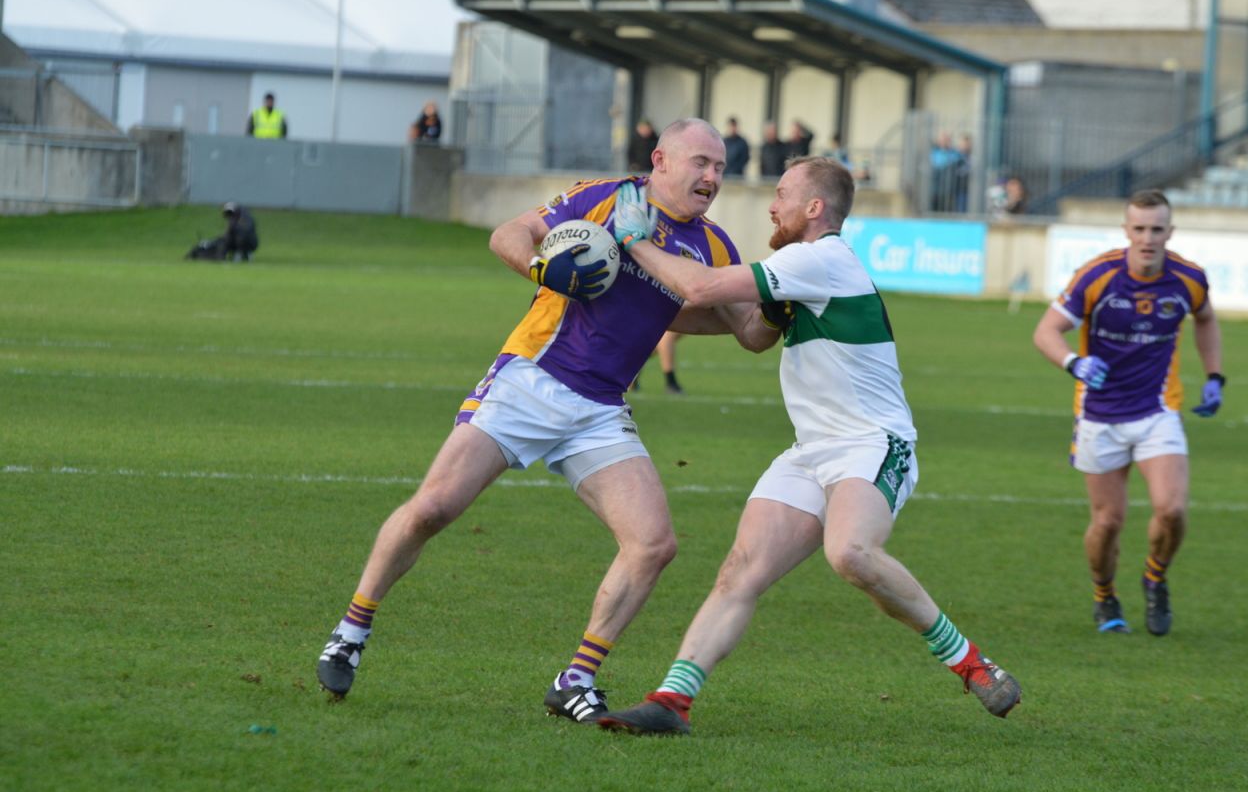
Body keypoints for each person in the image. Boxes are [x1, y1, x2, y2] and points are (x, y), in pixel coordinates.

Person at [315, 118, 780, 722]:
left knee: (652, 545)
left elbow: (748, 332)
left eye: (719, 167)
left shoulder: (714, 245)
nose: (712, 177)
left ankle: (575, 678)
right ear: (660, 159)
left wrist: (784, 296)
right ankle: (352, 628)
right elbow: (510, 233)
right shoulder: (606, 198)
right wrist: (542, 268)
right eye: (701, 163)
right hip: (531, 379)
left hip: (600, 409)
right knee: (433, 508)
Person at [594, 156, 1022, 735]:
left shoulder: (818, 259)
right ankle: (672, 700)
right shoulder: (798, 269)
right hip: (811, 449)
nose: (772, 205)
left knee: (850, 553)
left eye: (782, 194)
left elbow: (700, 286)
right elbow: (750, 334)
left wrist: (634, 243)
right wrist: (620, 297)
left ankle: (971, 663)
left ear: (814, 208)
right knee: (738, 571)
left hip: (873, 442)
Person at [1032, 189, 1224, 637]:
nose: (1148, 238)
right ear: (1126, 231)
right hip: (1099, 415)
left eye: (1157, 229)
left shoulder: (1189, 278)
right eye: (1139, 229)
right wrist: (1073, 363)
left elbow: (1207, 318)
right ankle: (1104, 596)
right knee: (1108, 521)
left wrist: (1215, 376)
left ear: (1170, 232)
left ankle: (1155, 577)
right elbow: (1046, 330)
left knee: (1172, 509)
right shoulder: (1097, 276)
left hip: (1158, 409)